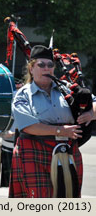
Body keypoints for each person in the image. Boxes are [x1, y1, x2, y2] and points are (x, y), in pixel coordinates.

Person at [9, 45, 96, 198]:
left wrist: (89, 113)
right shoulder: (23, 95)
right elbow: (28, 126)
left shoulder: (68, 89)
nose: (46, 68)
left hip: (67, 150)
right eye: (41, 65)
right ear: (31, 68)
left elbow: (94, 102)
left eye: (50, 65)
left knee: (68, 198)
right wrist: (61, 131)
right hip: (34, 150)